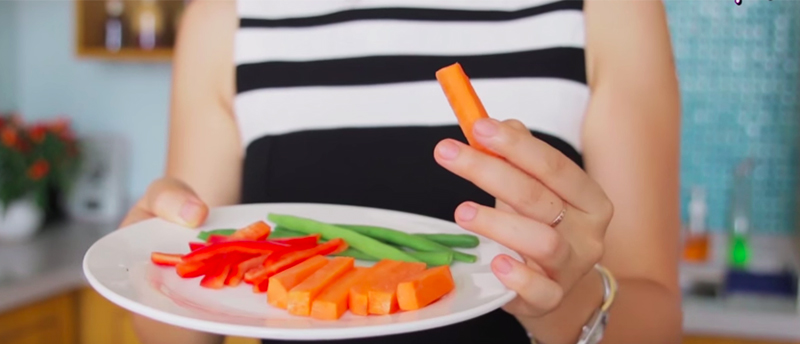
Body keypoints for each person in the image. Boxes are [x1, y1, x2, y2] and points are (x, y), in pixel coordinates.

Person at [123, 0, 683, 343]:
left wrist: (567, 304)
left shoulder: (607, 9)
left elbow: (658, 318)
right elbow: (180, 331)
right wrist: (148, 265)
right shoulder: (226, 20)